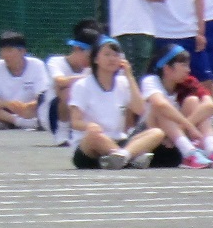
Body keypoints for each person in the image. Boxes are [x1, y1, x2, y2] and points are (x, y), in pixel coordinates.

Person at [66, 38, 167, 169]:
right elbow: (75, 122)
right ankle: (129, 158)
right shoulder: (82, 85)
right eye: (107, 54)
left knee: (157, 133)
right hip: (91, 145)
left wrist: (130, 76)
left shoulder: (123, 82)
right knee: (94, 136)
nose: (112, 59)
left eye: (116, 55)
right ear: (96, 59)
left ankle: (123, 156)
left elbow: (140, 109)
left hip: (119, 141)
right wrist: (89, 126)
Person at [138, 44, 213, 168]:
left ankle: (212, 150)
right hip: (152, 144)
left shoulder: (188, 82)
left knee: (193, 101)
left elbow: (210, 105)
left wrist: (183, 127)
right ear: (167, 68)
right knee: (161, 108)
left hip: (174, 143)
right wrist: (189, 126)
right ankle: (190, 152)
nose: (188, 70)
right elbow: (160, 104)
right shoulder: (150, 80)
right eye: (183, 65)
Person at [42, 23, 99, 143]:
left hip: (80, 115)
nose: (91, 60)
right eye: (89, 56)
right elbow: (60, 81)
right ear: (77, 49)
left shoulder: (93, 67)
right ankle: (62, 130)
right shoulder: (55, 61)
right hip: (53, 114)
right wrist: (87, 77)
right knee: (67, 89)